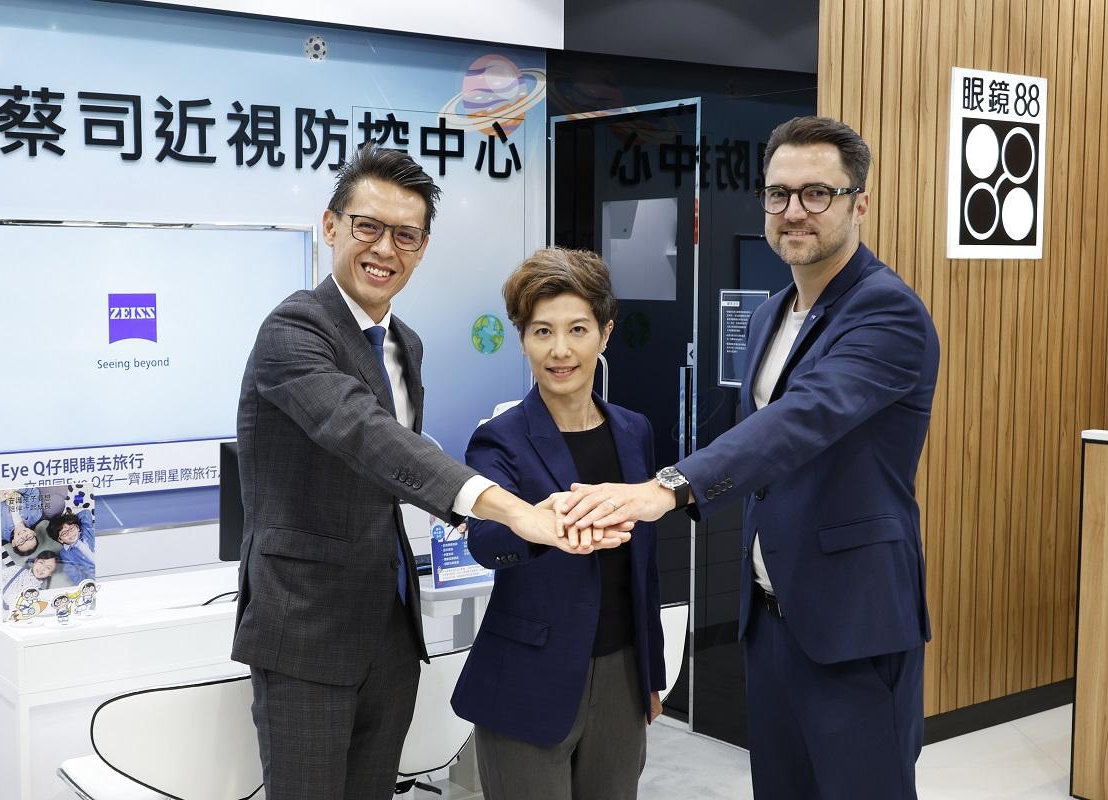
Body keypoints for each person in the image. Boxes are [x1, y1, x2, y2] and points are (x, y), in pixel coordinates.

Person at [559, 116, 940, 799]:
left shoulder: (888, 313)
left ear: (860, 204)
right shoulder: (770, 315)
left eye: (817, 193)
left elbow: (800, 421)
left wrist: (668, 487)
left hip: (854, 622)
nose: (794, 211)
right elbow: (754, 446)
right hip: (770, 617)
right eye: (778, 193)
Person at [231, 146, 630, 800]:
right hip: (304, 628)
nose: (384, 249)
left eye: (406, 235)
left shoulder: (404, 345)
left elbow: (395, 472)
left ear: (421, 249)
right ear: (330, 226)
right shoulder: (294, 328)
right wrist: (514, 510)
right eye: (368, 226)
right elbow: (367, 435)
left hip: (390, 628)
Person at [450, 248, 664, 800]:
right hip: (527, 676)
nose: (560, 350)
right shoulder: (500, 437)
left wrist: (652, 675)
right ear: (523, 339)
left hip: (621, 674)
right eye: (542, 331)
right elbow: (485, 540)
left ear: (605, 334)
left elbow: (643, 565)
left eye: (578, 330)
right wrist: (535, 526)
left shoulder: (634, 430)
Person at [47, 509, 95, 584]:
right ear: (60, 540)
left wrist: (69, 520)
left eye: (71, 528)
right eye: (64, 533)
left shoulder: (85, 530)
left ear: (77, 527)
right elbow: (74, 576)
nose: (70, 533)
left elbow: (85, 513)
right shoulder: (65, 554)